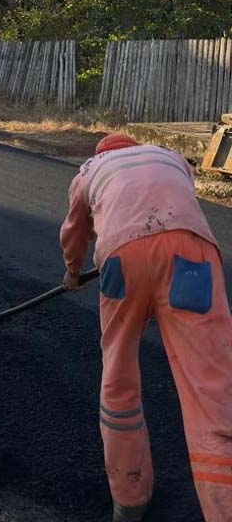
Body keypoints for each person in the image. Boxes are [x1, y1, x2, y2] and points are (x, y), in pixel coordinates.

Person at [60, 133, 232, 522]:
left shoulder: (89, 170)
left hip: (123, 260)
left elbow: (75, 230)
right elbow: (174, 198)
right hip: (194, 256)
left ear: (102, 153)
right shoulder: (171, 157)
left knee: (118, 375)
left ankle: (129, 498)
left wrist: (72, 271)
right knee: (213, 388)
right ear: (135, 146)